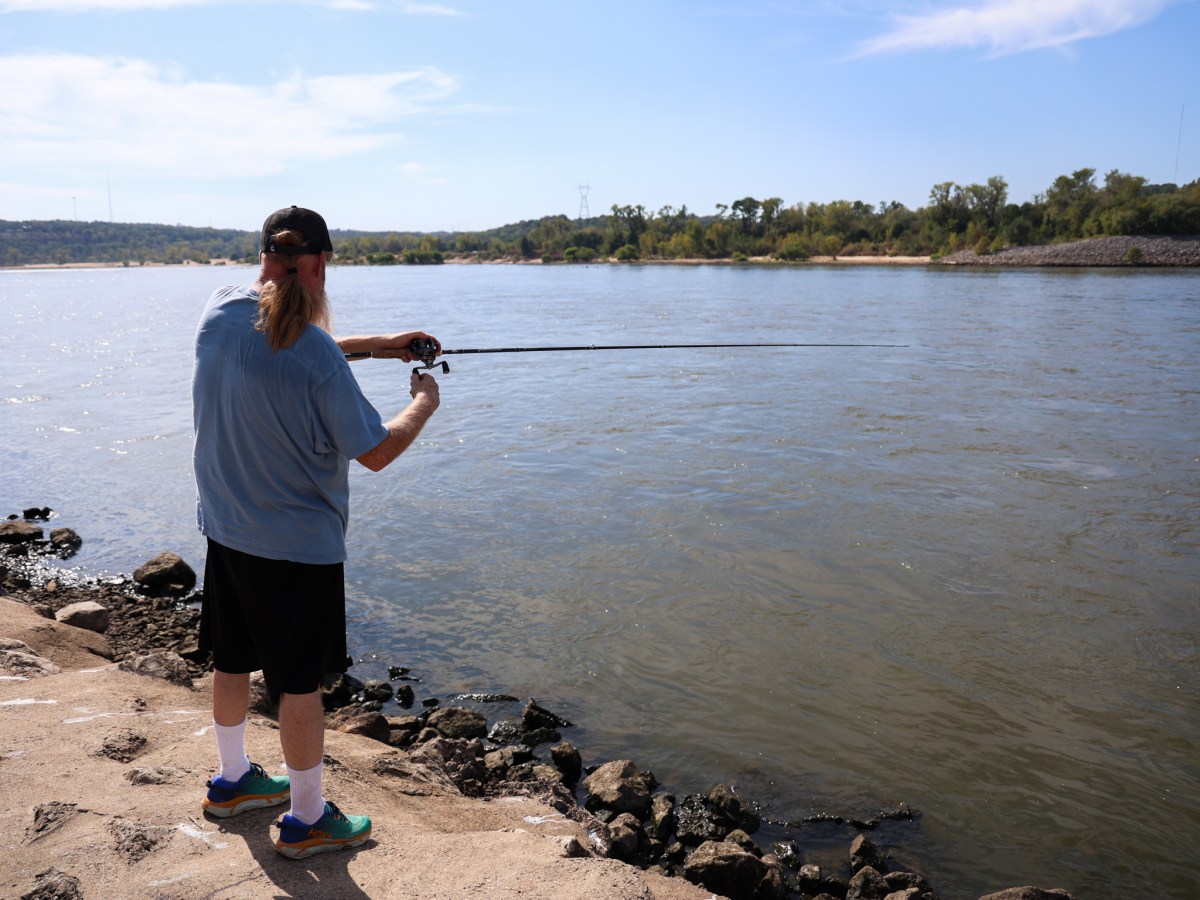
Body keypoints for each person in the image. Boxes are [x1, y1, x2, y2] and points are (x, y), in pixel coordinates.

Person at [191, 205, 440, 859]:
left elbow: (295, 344)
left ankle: (232, 780)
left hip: (225, 531)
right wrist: (422, 402)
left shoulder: (219, 310)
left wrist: (379, 345)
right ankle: (305, 819)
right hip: (296, 551)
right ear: (320, 264)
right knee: (299, 685)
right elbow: (377, 450)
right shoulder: (316, 357)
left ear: (266, 258)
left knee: (232, 657)